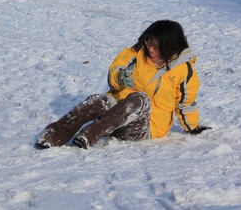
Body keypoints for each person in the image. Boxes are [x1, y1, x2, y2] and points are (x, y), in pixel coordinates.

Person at [35, 20, 208, 150]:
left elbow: (185, 103)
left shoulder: (184, 70)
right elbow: (115, 70)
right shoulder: (136, 53)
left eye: (156, 46)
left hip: (143, 128)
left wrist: (193, 128)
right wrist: (119, 77)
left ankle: (89, 134)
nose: (151, 50)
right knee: (100, 99)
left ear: (170, 47)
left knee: (140, 99)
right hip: (113, 120)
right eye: (149, 43)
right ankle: (53, 135)